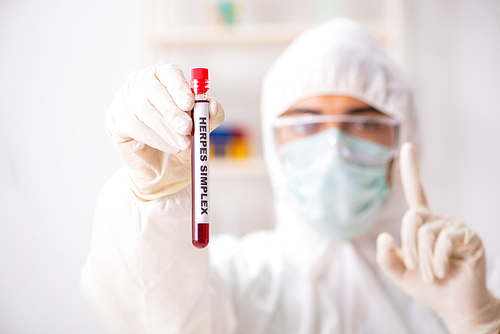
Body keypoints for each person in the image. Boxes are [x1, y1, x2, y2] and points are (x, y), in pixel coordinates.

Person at [81, 18, 500, 333]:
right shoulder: (239, 277)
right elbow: (152, 316)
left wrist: (480, 320)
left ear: (403, 137)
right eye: (307, 123)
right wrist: (155, 199)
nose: (334, 145)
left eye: (363, 122)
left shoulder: (462, 282)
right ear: (274, 141)